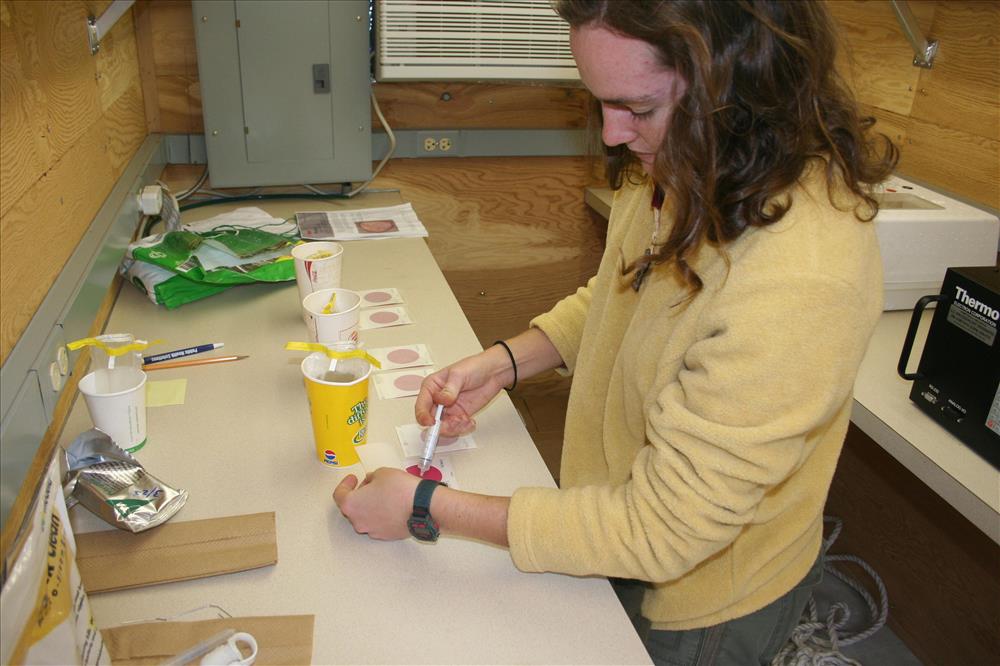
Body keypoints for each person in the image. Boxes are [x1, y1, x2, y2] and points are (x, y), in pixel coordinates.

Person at [333, 1, 897, 663]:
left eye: (639, 108)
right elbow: (623, 296)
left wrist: (429, 504)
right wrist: (503, 363)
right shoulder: (688, 161)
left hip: (703, 596)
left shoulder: (802, 273)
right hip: (617, 523)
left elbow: (664, 530)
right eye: (597, 101)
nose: (610, 133)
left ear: (740, 88)